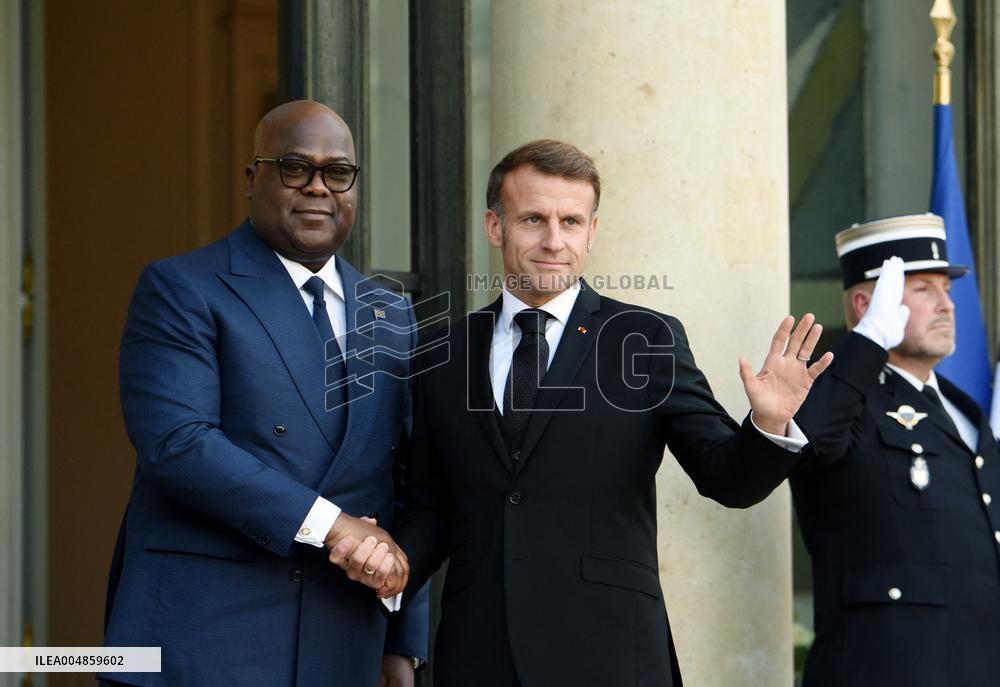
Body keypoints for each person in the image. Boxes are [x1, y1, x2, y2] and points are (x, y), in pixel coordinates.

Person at [332, 139, 833, 686]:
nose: (554, 241)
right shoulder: (444, 353)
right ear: (495, 226)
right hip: (479, 657)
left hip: (611, 655)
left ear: (592, 232)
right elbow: (432, 507)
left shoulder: (644, 339)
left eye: (570, 222)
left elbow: (727, 479)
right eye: (533, 219)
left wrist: (769, 424)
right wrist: (394, 562)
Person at [101, 100, 426, 687]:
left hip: (343, 637)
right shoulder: (182, 287)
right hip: (206, 635)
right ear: (253, 179)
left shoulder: (391, 312)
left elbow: (403, 480)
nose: (318, 188)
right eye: (295, 167)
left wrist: (401, 642)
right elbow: (178, 443)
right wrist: (332, 525)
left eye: (338, 172)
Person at [791, 214, 1000, 686]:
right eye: (923, 290)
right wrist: (866, 344)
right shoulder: (840, 397)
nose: (947, 305)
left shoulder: (964, 410)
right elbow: (809, 441)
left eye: (947, 289)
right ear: (867, 304)